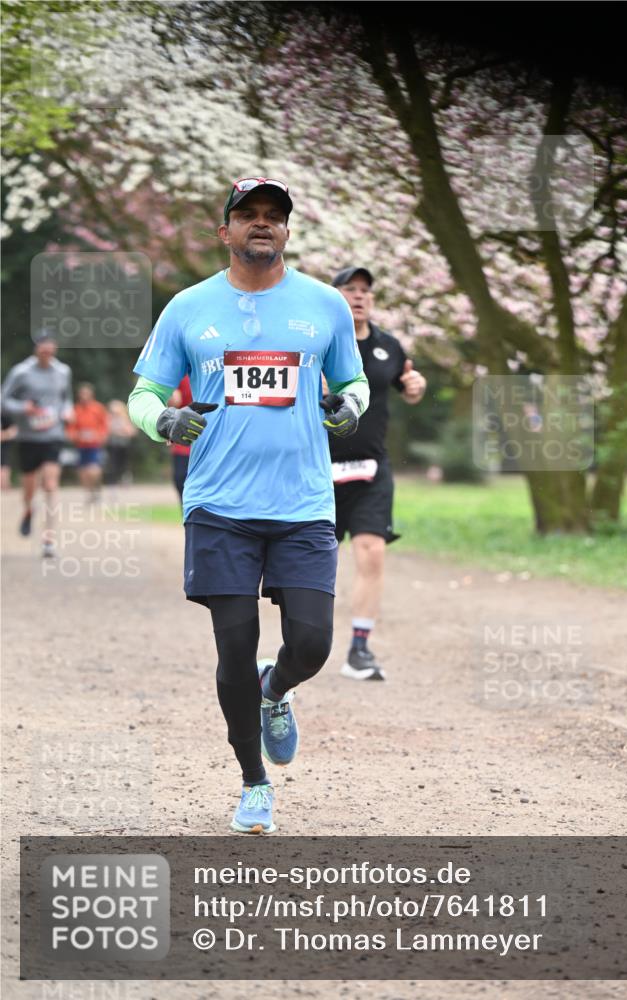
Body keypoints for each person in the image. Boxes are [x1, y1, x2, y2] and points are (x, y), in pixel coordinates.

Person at [128, 176, 368, 834]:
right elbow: (143, 394)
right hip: (219, 505)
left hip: (302, 504)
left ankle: (277, 689)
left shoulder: (323, 306)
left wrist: (347, 409)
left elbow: (354, 385)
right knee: (233, 647)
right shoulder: (187, 308)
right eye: (248, 215)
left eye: (274, 216)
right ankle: (253, 782)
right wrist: (164, 421)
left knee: (314, 644)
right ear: (224, 232)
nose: (262, 224)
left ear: (287, 231)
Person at [330, 266, 427, 681]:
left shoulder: (389, 345)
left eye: (366, 290)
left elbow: (409, 383)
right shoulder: (321, 343)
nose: (359, 296)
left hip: (372, 468)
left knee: (372, 552)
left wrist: (416, 386)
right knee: (315, 562)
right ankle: (303, 642)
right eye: (350, 289)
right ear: (334, 296)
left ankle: (359, 649)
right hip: (320, 470)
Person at [1, 333, 73, 557]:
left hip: (53, 435)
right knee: (29, 488)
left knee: (51, 485)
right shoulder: (21, 372)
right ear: (36, 349)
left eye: (51, 349)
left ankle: (48, 539)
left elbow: (66, 397)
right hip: (28, 437)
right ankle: (28, 509)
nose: (47, 352)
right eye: (43, 348)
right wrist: (24, 408)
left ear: (55, 349)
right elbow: (3, 400)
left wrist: (67, 410)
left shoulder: (63, 371)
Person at [67, 383, 110, 502]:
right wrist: (74, 435)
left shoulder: (98, 408)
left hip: (94, 444)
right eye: (82, 394)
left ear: (91, 395)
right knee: (82, 471)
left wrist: (101, 435)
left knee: (93, 469)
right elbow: (71, 427)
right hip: (80, 444)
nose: (84, 396)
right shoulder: (75, 409)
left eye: (86, 394)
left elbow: (104, 425)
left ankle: (96, 488)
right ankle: (90, 493)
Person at [166, 375, 193, 505]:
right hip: (184, 438)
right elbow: (174, 401)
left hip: (209, 438)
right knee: (181, 479)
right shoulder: (180, 374)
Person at [105, 400, 137, 486]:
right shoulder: (108, 418)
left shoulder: (125, 418)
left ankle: (124, 480)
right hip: (112, 445)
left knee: (124, 464)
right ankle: (113, 481)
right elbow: (107, 430)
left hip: (124, 445)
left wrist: (120, 431)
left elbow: (131, 432)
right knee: (113, 463)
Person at [1, 414, 17, 490]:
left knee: (4, 468)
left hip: (4, 447)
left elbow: (14, 430)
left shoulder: (5, 416)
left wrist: (4, 435)